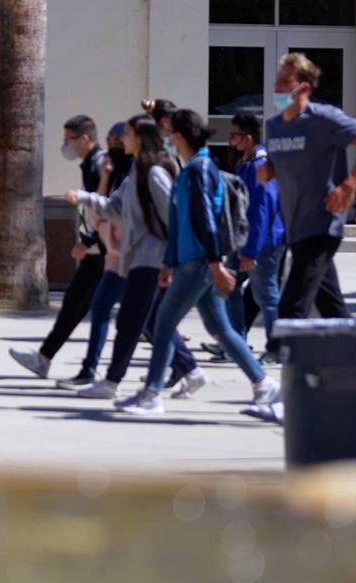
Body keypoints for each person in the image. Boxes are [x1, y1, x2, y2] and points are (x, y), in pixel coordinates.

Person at [115, 109, 281, 417]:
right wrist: (169, 262)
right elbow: (181, 221)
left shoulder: (199, 169)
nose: (168, 140)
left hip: (200, 262)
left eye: (171, 135)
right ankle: (264, 385)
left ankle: (151, 394)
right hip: (193, 260)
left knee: (163, 323)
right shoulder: (192, 167)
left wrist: (216, 264)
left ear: (179, 136)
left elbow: (205, 218)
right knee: (220, 328)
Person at [263, 52, 356, 352]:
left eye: (284, 81)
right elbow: (284, 166)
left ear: (303, 87)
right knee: (332, 307)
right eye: (277, 80)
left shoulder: (323, 118)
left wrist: (349, 185)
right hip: (295, 225)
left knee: (290, 312)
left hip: (322, 223)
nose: (277, 87)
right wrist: (269, 170)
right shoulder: (275, 126)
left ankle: (274, 383)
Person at [68, 117, 198, 400]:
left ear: (139, 137)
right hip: (138, 257)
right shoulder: (135, 173)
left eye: (125, 134)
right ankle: (190, 369)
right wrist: (84, 198)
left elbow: (173, 216)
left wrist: (171, 260)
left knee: (130, 321)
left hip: (152, 258)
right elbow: (115, 209)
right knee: (149, 321)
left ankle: (113, 382)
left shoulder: (153, 174)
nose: (119, 139)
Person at [10, 114, 107, 379]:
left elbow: (107, 207)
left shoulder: (99, 165)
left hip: (106, 250)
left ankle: (182, 363)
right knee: (76, 302)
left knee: (130, 313)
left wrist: (89, 241)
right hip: (100, 249)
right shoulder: (91, 164)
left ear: (85, 139)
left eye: (69, 140)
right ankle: (44, 358)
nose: (65, 145)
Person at [60, 120, 133, 388]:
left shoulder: (138, 173)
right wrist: (104, 178)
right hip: (115, 253)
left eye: (120, 141)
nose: (113, 146)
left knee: (149, 318)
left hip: (135, 254)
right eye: (113, 141)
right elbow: (105, 209)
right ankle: (89, 371)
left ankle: (185, 366)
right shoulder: (113, 169)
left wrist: (83, 198)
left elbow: (118, 210)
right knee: (102, 307)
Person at [225, 110, 286, 354]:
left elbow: (261, 211)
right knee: (228, 286)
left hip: (264, 242)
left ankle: (277, 348)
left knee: (267, 297)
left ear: (248, 138)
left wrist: (250, 251)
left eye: (234, 136)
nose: (230, 140)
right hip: (244, 240)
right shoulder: (246, 164)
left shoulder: (260, 165)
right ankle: (236, 344)